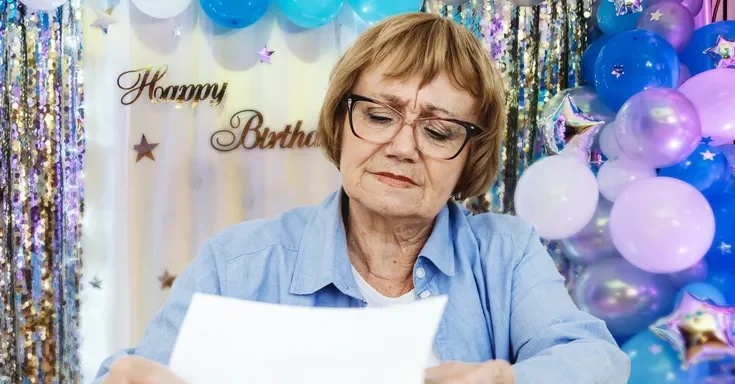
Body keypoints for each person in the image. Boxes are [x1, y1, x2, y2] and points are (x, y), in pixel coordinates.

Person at [94, 12, 630, 384]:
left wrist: (503, 377)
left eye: (439, 131)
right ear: (340, 121)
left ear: (470, 155)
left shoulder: (505, 254)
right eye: (378, 115)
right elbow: (136, 370)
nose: (402, 147)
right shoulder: (236, 263)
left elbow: (595, 360)